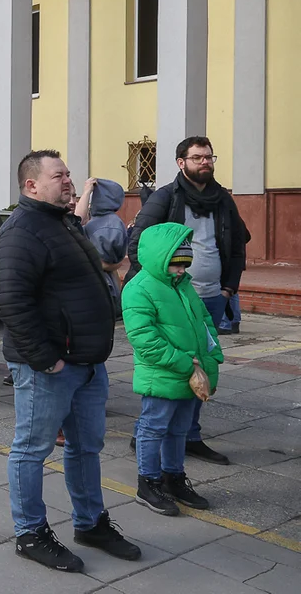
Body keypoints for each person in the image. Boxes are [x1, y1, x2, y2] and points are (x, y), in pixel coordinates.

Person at [0, 149, 140, 572]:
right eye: (59, 175)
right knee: (31, 449)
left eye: (68, 174)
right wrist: (45, 359)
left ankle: (90, 522)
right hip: (50, 366)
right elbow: (12, 302)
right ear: (31, 185)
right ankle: (30, 533)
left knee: (86, 447)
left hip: (87, 362)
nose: (68, 181)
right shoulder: (22, 230)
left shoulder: (64, 222)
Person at [126, 136, 244, 466]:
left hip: (211, 296)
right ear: (182, 163)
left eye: (209, 157)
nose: (205, 162)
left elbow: (237, 245)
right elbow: (139, 245)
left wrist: (228, 289)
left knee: (201, 367)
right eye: (197, 158)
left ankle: (189, 435)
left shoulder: (223, 199)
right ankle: (147, 431)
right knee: (169, 367)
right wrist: (159, 285)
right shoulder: (165, 197)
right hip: (172, 295)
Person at [124, 224, 222, 516]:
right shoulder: (139, 289)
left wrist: (213, 354)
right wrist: (183, 361)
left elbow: (203, 322)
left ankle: (173, 478)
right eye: (175, 264)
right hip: (163, 374)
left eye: (184, 265)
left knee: (179, 430)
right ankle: (149, 482)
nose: (181, 271)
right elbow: (144, 339)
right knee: (153, 429)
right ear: (158, 258)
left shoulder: (183, 286)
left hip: (189, 372)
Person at [81, 178, 128, 316]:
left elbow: (108, 256)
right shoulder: (112, 222)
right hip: (106, 279)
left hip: (101, 282)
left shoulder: (103, 224)